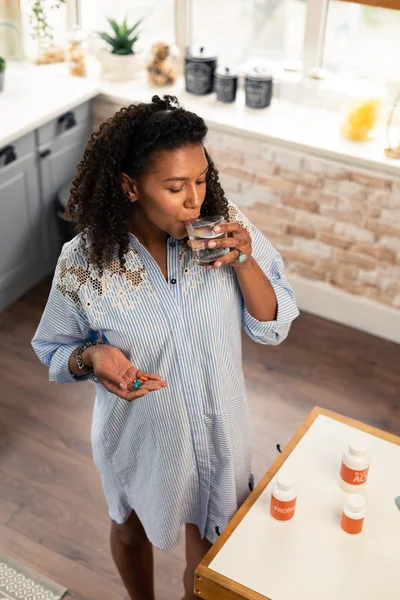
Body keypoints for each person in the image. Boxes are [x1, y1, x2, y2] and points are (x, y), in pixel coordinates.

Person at [32, 95, 299, 600]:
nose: (195, 199)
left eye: (201, 179)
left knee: (210, 564)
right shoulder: (84, 263)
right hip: (141, 439)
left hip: (221, 433)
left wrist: (244, 260)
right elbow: (53, 348)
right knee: (132, 529)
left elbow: (272, 325)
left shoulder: (224, 229)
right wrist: (91, 357)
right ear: (131, 187)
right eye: (176, 187)